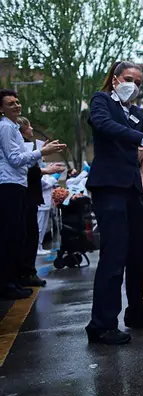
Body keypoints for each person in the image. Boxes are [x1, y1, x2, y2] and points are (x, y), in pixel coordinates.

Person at [85, 61, 143, 345]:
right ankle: (101, 325)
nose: (133, 84)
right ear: (115, 79)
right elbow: (104, 125)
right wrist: (142, 136)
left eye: (139, 82)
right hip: (110, 186)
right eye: (129, 78)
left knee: (140, 252)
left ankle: (140, 311)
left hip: (131, 189)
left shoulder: (133, 111)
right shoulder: (102, 101)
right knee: (114, 253)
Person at [0, 90, 65, 300]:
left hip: (18, 184)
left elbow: (24, 161)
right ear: (1, 108)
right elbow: (16, 159)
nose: (16, 106)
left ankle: (14, 279)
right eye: (10, 103)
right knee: (11, 237)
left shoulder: (13, 128)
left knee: (19, 235)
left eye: (17, 102)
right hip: (9, 185)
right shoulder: (6, 127)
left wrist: (40, 156)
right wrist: (41, 153)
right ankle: (7, 283)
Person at [16, 117, 66, 287]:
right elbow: (26, 169)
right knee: (29, 233)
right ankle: (25, 273)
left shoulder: (28, 146)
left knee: (32, 232)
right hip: (27, 194)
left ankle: (27, 272)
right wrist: (46, 169)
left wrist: (41, 154)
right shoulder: (20, 145)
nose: (31, 129)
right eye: (29, 126)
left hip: (32, 194)